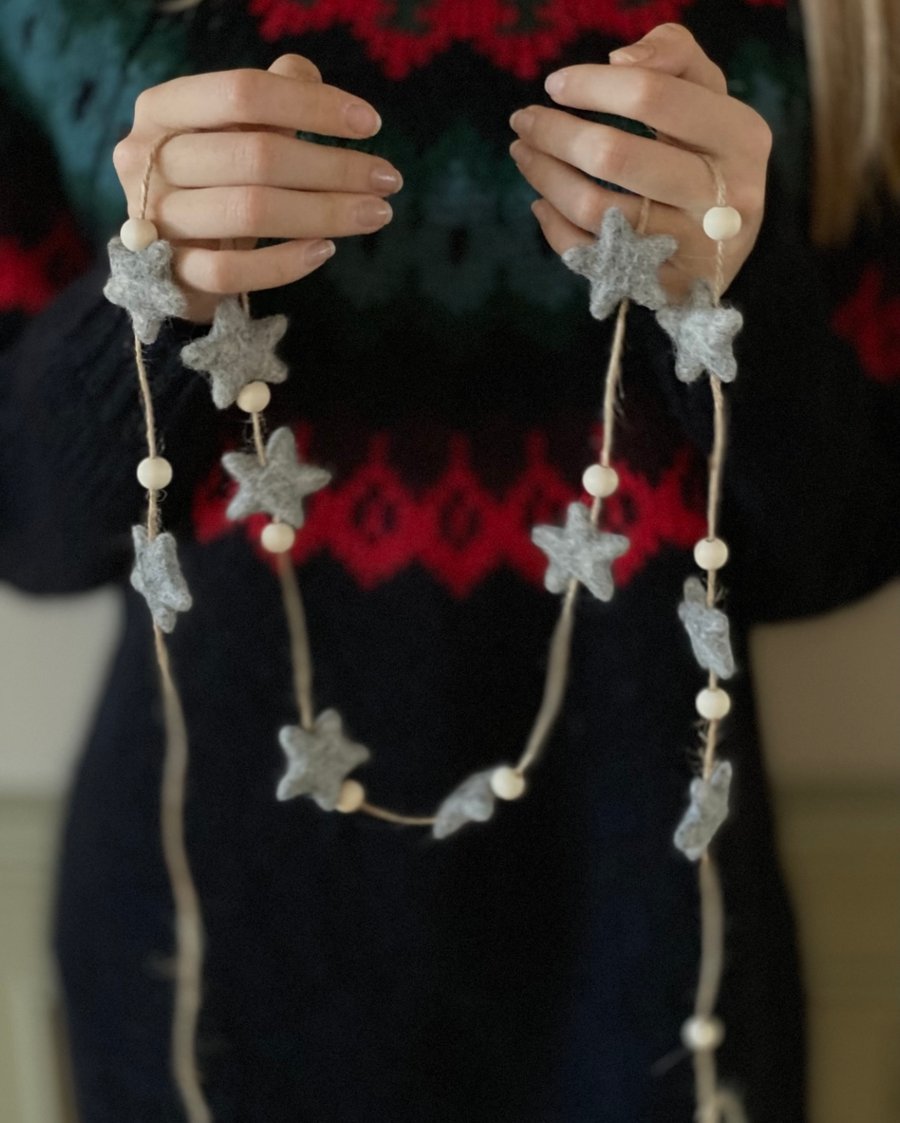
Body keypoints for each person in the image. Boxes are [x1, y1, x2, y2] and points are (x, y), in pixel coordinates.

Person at [0, 1, 897, 1120]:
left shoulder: (840, 25)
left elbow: (839, 550)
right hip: (206, 972)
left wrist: (730, 299)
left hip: (653, 954)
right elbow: (29, 531)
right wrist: (151, 290)